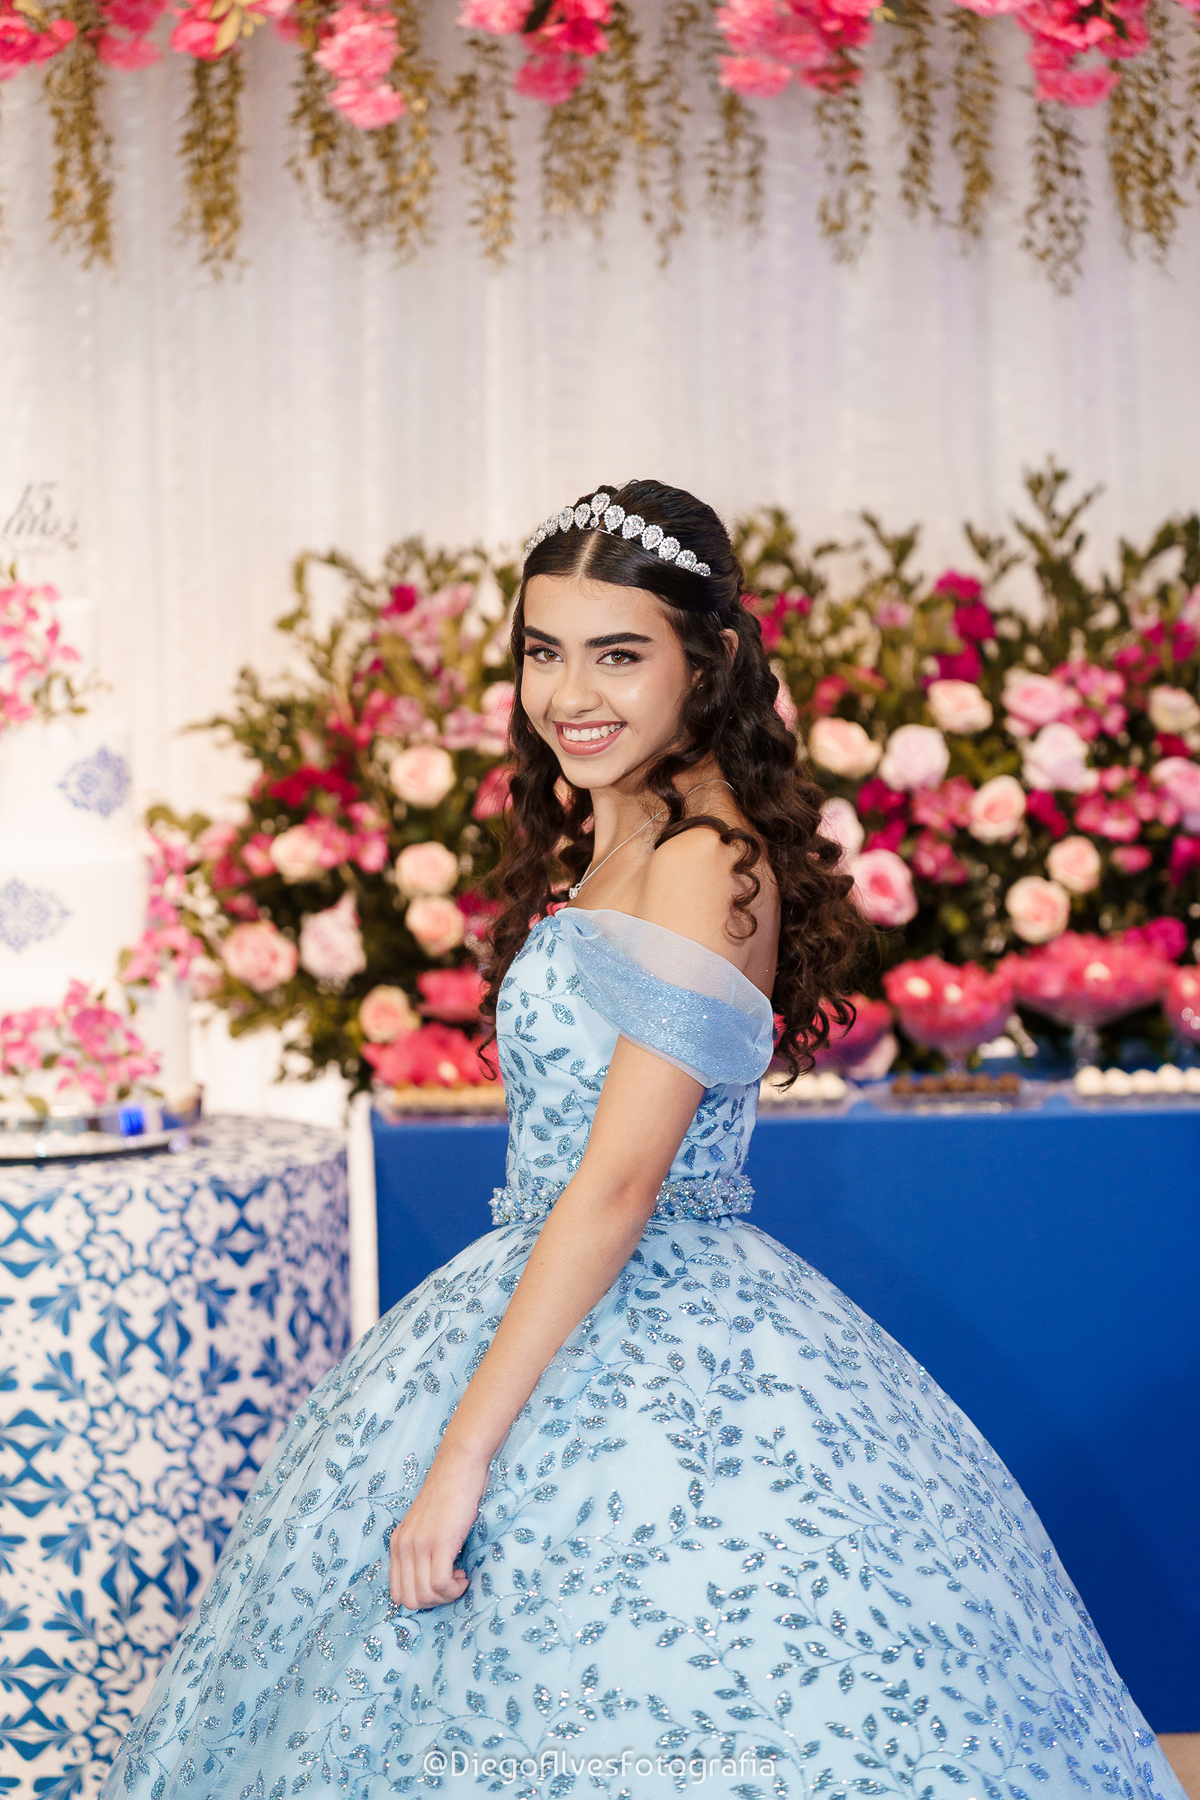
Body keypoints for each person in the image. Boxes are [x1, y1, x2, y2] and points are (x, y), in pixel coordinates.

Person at [103, 481, 1182, 1800]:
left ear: (708, 660)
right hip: (543, 1288)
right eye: (543, 651)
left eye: (617, 654)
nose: (570, 693)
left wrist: (462, 1455)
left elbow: (618, 1184)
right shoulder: (619, 832)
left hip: (652, 1316)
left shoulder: (703, 859)